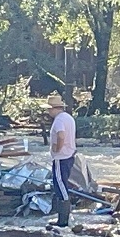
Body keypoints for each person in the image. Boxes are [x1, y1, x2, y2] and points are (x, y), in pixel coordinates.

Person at [43, 94, 77, 227]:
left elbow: (61, 135)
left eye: (49, 109)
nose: (48, 112)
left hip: (61, 157)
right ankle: (62, 218)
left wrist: (57, 148)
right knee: (62, 184)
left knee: (60, 185)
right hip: (69, 155)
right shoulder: (68, 118)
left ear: (54, 108)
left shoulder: (58, 120)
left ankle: (62, 221)